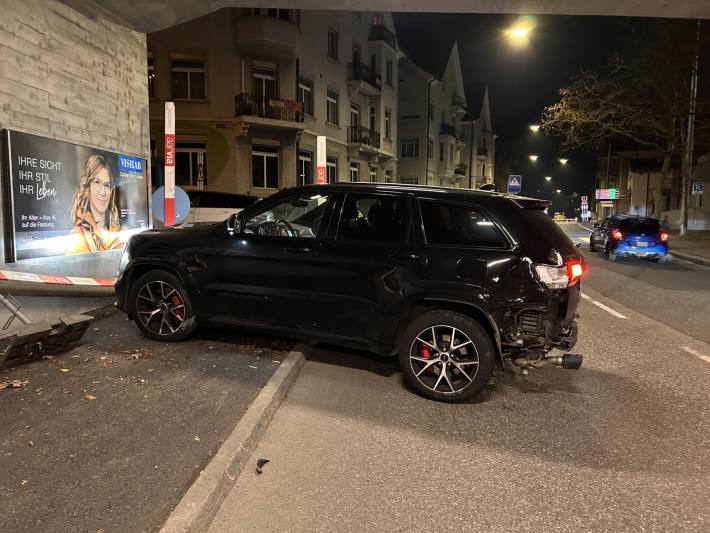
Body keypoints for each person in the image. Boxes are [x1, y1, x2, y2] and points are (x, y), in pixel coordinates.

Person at [65, 154, 123, 254]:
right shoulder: (77, 238)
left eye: (106, 185)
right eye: (97, 182)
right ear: (87, 188)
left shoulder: (116, 234)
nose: (103, 192)